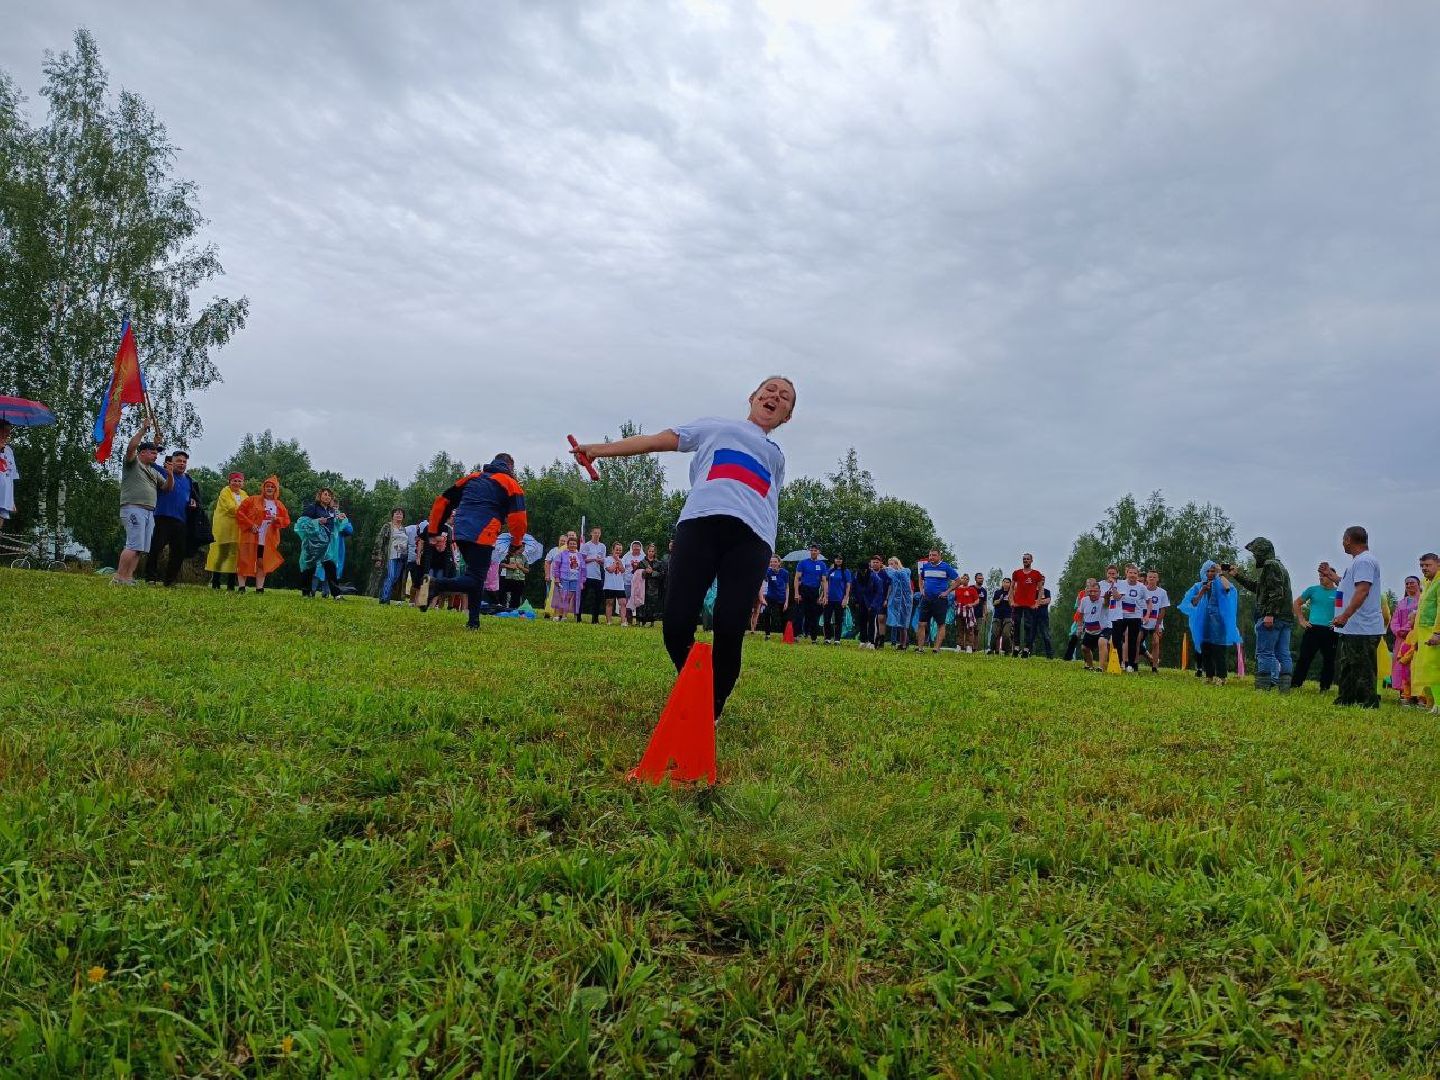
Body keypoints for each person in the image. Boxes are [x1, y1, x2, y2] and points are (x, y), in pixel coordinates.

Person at [571, 375, 795, 719]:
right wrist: (598, 450)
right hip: (700, 523)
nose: (774, 397)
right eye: (769, 390)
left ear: (786, 417)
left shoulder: (776, 456)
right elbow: (653, 442)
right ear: (753, 396)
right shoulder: (713, 427)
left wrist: (762, 570)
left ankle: (710, 712)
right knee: (675, 623)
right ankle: (697, 685)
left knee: (729, 624)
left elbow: (771, 505)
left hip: (753, 540)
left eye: (784, 398)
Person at [424, 454, 528, 630]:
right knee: (475, 578)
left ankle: (473, 622)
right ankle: (437, 584)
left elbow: (443, 501)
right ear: (510, 466)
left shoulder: (473, 477)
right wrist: (516, 542)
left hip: (461, 531)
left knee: (476, 577)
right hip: (484, 532)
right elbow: (518, 519)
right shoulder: (511, 484)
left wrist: (434, 529)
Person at [1227, 537, 1294, 691]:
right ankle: (1285, 688)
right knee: (1283, 653)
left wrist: (1269, 614)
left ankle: (1263, 687)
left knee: (1265, 652)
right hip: (1286, 617)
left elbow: (1276, 592)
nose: (1254, 556)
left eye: (1255, 552)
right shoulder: (1280, 566)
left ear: (1261, 552)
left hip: (1273, 617)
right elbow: (1260, 588)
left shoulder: (1270, 565)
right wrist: (1238, 576)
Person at [113, 421, 175, 585]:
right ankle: (119, 577)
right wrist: (143, 429)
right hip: (133, 508)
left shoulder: (153, 471)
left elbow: (167, 488)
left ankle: (128, 577)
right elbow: (131, 447)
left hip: (149, 512)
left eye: (157, 452)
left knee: (140, 548)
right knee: (133, 544)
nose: (156, 455)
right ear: (142, 453)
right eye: (152, 452)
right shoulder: (133, 463)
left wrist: (170, 474)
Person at [1332, 526, 1383, 708]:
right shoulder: (1358, 562)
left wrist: (1345, 615)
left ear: (1348, 540)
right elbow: (1349, 587)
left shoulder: (1364, 561)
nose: (1342, 544)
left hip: (1363, 626)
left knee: (1363, 667)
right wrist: (1333, 577)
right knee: (1348, 665)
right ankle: (1345, 699)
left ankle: (1368, 703)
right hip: (1353, 626)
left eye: (1343, 540)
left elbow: (1362, 591)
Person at [1180, 561, 1239, 684]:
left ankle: (1222, 677)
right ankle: (1209, 676)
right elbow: (1192, 603)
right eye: (1208, 571)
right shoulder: (1197, 586)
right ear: (1203, 572)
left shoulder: (1221, 583)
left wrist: (1221, 575)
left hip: (1219, 621)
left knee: (1219, 649)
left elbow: (1230, 589)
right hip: (1203, 621)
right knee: (1205, 647)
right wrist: (1202, 591)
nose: (1210, 573)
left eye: (1213, 571)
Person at [145, 450, 197, 585]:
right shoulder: (163, 472)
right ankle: (150, 577)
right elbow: (148, 461)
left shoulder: (189, 480)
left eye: (184, 462)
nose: (182, 464)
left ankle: (170, 580)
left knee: (178, 552)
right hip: (163, 516)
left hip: (181, 519)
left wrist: (192, 502)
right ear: (171, 462)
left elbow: (191, 497)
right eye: (179, 461)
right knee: (156, 548)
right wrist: (154, 446)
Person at [235, 476, 290, 593]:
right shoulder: (252, 500)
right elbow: (240, 513)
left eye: (272, 487)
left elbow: (286, 520)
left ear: (276, 490)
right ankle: (241, 587)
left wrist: (277, 519)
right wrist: (250, 524)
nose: (269, 489)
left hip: (268, 538)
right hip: (251, 536)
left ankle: (259, 588)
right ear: (263, 488)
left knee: (262, 562)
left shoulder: (279, 504)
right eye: (267, 486)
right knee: (245, 559)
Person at [1291, 563, 1340, 692]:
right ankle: (1296, 684)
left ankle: (1325, 687)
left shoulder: (1339, 593)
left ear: (1331, 577)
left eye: (1323, 576)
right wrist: (1301, 620)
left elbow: (1345, 609)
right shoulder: (1312, 590)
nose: (1320, 578)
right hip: (1313, 629)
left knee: (1329, 660)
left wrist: (1338, 621)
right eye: (1319, 576)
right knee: (1304, 658)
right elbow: (1296, 603)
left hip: (1330, 630)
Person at [296, 489, 352, 599]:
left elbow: (337, 526)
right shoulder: (313, 508)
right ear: (320, 496)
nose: (327, 497)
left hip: (328, 544)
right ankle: (306, 593)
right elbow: (301, 523)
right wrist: (317, 521)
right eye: (325, 494)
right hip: (314, 542)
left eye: (329, 495)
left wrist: (340, 519)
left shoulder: (332, 511)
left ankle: (337, 594)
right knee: (310, 566)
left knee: (330, 567)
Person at [1406, 553, 1440, 713]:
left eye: (1428, 565)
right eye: (1422, 566)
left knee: (1434, 667)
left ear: (1438, 564)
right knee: (1425, 667)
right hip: (1423, 631)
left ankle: (1438, 704)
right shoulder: (1427, 583)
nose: (1424, 568)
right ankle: (1432, 703)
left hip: (1434, 631)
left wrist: (1438, 633)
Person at [205, 472, 248, 590]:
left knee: (235, 555)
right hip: (224, 527)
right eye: (234, 481)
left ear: (243, 483)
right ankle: (216, 581)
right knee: (221, 553)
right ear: (229, 482)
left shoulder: (244, 494)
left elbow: (250, 508)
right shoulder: (225, 492)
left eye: (239, 481)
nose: (237, 483)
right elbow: (230, 508)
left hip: (237, 528)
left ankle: (230, 584)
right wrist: (244, 512)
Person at [915, 549, 958, 652]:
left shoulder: (946, 567)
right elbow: (920, 578)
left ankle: (936, 648)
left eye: (934, 555)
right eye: (930, 555)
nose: (931, 557)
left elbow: (958, 581)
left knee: (940, 624)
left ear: (939, 556)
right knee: (921, 623)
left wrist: (947, 592)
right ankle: (920, 648)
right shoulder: (926, 566)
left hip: (940, 600)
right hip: (926, 599)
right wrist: (921, 590)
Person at [1109, 565, 1148, 672]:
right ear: (1126, 573)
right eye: (1130, 573)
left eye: (1135, 573)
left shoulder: (1142, 587)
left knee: (1132, 641)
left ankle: (1130, 665)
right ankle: (1120, 661)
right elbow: (1117, 597)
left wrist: (1147, 615)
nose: (1132, 575)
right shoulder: (1120, 583)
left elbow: (1149, 601)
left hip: (1135, 617)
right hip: (1120, 616)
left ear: (1137, 575)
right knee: (1116, 639)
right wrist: (1113, 587)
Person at [1391, 576, 1422, 705]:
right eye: (1407, 583)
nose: (1409, 585)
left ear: (1419, 584)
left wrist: (1407, 629)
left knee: (1414, 664)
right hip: (1401, 639)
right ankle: (1403, 692)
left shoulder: (1422, 600)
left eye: (1412, 583)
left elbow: (1418, 617)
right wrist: (1398, 630)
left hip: (1415, 636)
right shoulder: (1401, 602)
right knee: (1400, 663)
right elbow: (1394, 620)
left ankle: (1418, 694)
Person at [1010, 554, 1045, 658]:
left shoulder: (1036, 574)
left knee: (1028, 626)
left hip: (1030, 605)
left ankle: (1026, 649)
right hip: (1018, 603)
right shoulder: (1016, 573)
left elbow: (1041, 589)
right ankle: (1016, 648)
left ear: (1032, 560)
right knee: (1016, 625)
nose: (1026, 561)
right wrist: (1011, 600)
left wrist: (1037, 603)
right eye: (1024, 559)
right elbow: (1012, 587)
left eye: (1027, 559)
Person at [372, 509, 410, 603]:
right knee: (390, 576)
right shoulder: (387, 526)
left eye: (401, 514)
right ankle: (384, 599)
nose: (399, 515)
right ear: (392, 515)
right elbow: (379, 541)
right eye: (396, 513)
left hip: (401, 557)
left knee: (396, 577)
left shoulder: (403, 528)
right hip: (390, 556)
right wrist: (378, 557)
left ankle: (386, 596)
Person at [793, 545, 827, 643]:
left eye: (815, 550)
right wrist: (796, 593)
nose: (813, 552)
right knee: (799, 614)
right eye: (811, 550)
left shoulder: (822, 565)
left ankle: (813, 638)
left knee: (813, 616)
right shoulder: (803, 563)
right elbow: (797, 578)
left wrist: (824, 595)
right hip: (803, 590)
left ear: (818, 552)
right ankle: (796, 636)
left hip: (815, 592)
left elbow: (824, 581)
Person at [1140, 571, 1170, 672]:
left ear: (1157, 579)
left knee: (1155, 642)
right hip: (1143, 622)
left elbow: (1163, 610)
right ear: (1146, 579)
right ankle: (1133, 665)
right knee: (1136, 641)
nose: (1152, 579)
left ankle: (1154, 667)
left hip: (1156, 622)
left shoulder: (1162, 592)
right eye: (1150, 577)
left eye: (1154, 577)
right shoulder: (1142, 590)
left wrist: (1158, 625)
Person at [856, 555, 889, 649]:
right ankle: (863, 641)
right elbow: (855, 588)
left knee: (872, 622)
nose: (863, 571)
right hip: (862, 602)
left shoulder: (875, 577)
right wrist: (857, 600)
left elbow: (879, 592)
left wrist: (873, 604)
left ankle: (872, 642)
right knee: (862, 621)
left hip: (873, 603)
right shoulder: (857, 575)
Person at [549, 536, 584, 620]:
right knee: (562, 597)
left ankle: (564, 616)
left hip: (575, 580)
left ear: (577, 545)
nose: (572, 545)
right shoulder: (562, 554)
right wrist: (557, 577)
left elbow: (583, 569)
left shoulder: (579, 556)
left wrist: (582, 581)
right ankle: (557, 615)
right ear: (567, 545)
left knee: (568, 598)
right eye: (571, 544)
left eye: (574, 544)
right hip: (564, 578)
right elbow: (556, 566)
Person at [1078, 581, 1108, 670]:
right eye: (1091, 591)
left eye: (1095, 591)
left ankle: (1101, 668)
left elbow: (1107, 604)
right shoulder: (1084, 600)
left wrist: (1107, 598)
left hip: (1102, 629)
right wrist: (1079, 627)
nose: (1093, 593)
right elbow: (1080, 614)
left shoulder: (1103, 600)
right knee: (1084, 648)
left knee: (1102, 643)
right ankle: (1090, 666)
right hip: (1089, 629)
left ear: (1099, 592)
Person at [822, 556, 853, 644]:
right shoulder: (830, 571)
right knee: (827, 619)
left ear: (842, 561)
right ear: (834, 560)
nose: (838, 560)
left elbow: (848, 586)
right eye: (836, 558)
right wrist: (825, 596)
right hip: (829, 599)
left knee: (838, 620)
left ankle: (837, 639)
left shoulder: (846, 571)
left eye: (840, 559)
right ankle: (827, 638)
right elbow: (826, 583)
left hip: (840, 599)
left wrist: (846, 598)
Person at [579, 526, 606, 624]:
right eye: (595, 533)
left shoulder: (602, 546)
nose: (597, 535)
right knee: (583, 597)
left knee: (598, 598)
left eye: (598, 533)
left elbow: (604, 561)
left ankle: (595, 619)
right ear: (591, 534)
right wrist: (593, 559)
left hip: (597, 575)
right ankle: (579, 617)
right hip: (587, 575)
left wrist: (600, 561)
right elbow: (582, 560)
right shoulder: (586, 545)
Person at [885, 558, 914, 649]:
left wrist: (889, 569)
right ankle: (901, 644)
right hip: (896, 601)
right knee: (898, 623)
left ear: (897, 564)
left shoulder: (905, 571)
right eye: (889, 564)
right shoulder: (892, 573)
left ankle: (904, 644)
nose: (890, 566)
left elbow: (903, 579)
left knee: (904, 624)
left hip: (905, 601)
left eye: (892, 564)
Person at [759, 554, 790, 638]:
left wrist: (786, 601)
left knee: (783, 617)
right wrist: (762, 598)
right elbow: (760, 583)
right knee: (766, 613)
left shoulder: (785, 573)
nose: (773, 563)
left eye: (775, 562)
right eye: (771, 562)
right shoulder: (767, 571)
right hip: (770, 597)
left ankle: (785, 635)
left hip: (782, 597)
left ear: (779, 563)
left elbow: (787, 587)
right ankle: (767, 634)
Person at [638, 542, 667, 626]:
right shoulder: (642, 562)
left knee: (652, 604)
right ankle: (642, 621)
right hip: (643, 586)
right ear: (647, 551)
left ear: (655, 552)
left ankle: (652, 622)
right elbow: (637, 574)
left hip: (654, 587)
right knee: (643, 604)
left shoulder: (659, 563)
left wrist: (652, 572)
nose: (651, 553)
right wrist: (644, 571)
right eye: (649, 551)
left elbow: (662, 574)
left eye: (652, 551)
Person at [952, 574, 979, 653]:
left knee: (969, 629)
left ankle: (969, 646)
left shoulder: (972, 590)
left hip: (969, 612)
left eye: (966, 579)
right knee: (959, 628)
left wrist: (972, 604)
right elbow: (954, 600)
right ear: (961, 579)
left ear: (968, 580)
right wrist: (955, 604)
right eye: (963, 578)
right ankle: (959, 646)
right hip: (959, 611)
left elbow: (977, 600)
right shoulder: (957, 590)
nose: (965, 580)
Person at [602, 542, 627, 624]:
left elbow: (622, 570)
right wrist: (616, 561)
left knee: (623, 603)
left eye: (620, 550)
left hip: (620, 586)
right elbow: (610, 570)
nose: (618, 551)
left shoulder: (622, 560)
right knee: (609, 603)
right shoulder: (607, 559)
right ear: (612, 550)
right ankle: (609, 621)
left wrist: (618, 560)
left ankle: (623, 622)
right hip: (609, 585)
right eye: (617, 549)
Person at [988, 577, 1014, 655]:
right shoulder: (998, 592)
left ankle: (1007, 651)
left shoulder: (1012, 593)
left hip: (1008, 616)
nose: (1005, 584)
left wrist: (1009, 598)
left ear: (1010, 584)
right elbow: (994, 603)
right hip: (997, 616)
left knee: (1006, 634)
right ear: (1002, 583)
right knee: (994, 633)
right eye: (1004, 582)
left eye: (1007, 582)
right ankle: (991, 650)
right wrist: (999, 600)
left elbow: (1012, 605)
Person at [499, 543, 528, 610]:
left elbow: (527, 570)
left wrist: (521, 567)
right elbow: (501, 564)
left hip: (520, 580)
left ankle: (514, 609)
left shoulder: (524, 558)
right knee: (504, 594)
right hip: (508, 579)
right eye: (522, 546)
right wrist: (509, 566)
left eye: (524, 546)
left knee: (517, 596)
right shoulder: (508, 555)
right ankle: (503, 607)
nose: (523, 548)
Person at [0, 420, 17, 531]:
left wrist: (12, 501)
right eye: (4, 432)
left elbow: (11, 476)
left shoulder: (9, 450)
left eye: (8, 432)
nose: (7, 435)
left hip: (5, 497)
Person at [1033, 585, 1053, 658]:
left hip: (1044, 617)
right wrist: (1041, 601)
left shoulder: (1047, 591)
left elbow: (1047, 601)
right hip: (1033, 616)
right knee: (1031, 636)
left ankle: (1049, 655)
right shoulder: (1032, 591)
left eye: (1043, 579)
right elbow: (1029, 601)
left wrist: (1036, 602)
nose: (1042, 580)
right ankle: (1029, 653)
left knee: (1046, 636)